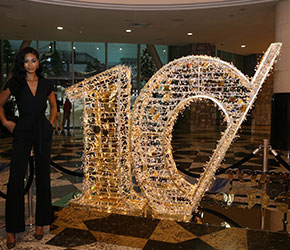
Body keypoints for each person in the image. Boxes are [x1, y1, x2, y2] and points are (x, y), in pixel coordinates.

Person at [0, 47, 57, 249]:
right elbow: (0, 103)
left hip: (42, 131)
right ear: (21, 63)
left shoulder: (45, 83)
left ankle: (41, 223)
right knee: (15, 179)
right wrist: (6, 122)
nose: (30, 64)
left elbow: (54, 105)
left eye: (33, 60)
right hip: (22, 129)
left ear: (38, 62)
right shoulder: (15, 83)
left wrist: (50, 123)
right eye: (26, 61)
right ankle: (11, 230)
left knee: (43, 177)